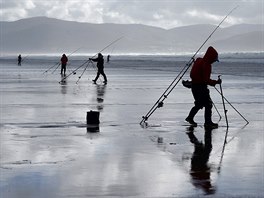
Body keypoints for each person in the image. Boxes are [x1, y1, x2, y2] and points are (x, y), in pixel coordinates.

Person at [185, 46, 221, 129]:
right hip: (201, 87)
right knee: (208, 105)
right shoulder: (207, 65)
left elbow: (195, 76)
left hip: (194, 86)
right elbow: (206, 80)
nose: (214, 62)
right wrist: (216, 82)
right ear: (211, 58)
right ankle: (208, 123)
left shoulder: (198, 61)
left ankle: (190, 118)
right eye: (214, 60)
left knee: (199, 104)